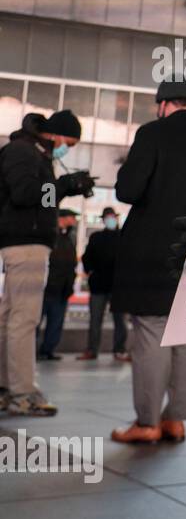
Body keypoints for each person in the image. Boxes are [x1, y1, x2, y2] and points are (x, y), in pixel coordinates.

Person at [110, 77, 186, 445]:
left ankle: (147, 422)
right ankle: (175, 420)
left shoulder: (152, 134)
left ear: (163, 104)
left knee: (150, 331)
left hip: (150, 252)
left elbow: (128, 190)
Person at [0, 110, 92, 416]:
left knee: (11, 318)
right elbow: (25, 194)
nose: (69, 148)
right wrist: (63, 185)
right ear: (54, 134)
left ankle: (6, 387)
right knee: (24, 319)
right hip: (25, 243)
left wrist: (68, 187)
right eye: (69, 142)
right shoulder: (22, 152)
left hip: (29, 241)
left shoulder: (37, 155)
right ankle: (23, 393)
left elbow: (46, 201)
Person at [79, 207, 129, 361]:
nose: (110, 220)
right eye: (108, 217)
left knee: (121, 321)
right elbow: (86, 257)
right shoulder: (96, 237)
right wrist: (90, 272)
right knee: (95, 320)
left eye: (112, 217)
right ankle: (92, 350)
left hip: (118, 287)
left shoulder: (124, 237)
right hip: (99, 286)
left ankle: (119, 350)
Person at [36, 210, 79, 361]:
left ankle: (47, 350)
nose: (74, 220)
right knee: (36, 321)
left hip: (63, 289)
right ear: (62, 218)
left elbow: (71, 264)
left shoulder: (69, 237)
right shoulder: (50, 236)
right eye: (71, 217)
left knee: (56, 322)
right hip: (47, 288)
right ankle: (32, 351)